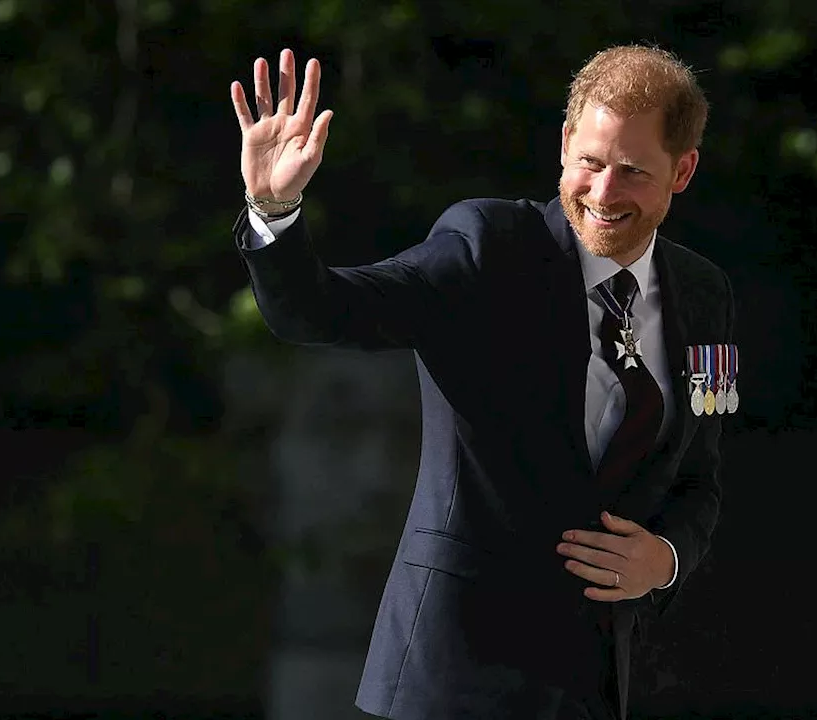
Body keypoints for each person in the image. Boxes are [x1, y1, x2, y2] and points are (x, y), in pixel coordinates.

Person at [229, 43, 738, 720]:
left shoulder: (706, 296)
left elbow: (699, 476)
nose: (604, 193)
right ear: (563, 145)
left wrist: (665, 558)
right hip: (455, 676)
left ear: (684, 171)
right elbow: (322, 311)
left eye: (633, 172)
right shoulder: (485, 247)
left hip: (597, 683)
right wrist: (275, 210)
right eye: (589, 163)